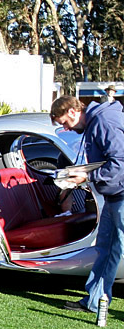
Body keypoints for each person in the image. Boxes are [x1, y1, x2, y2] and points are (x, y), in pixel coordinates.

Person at [50, 95, 124, 313]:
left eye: (65, 123)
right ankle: (95, 300)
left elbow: (119, 164)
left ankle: (95, 300)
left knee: (112, 248)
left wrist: (87, 177)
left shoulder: (104, 122)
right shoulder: (98, 121)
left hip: (121, 194)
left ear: (73, 112)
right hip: (114, 195)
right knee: (107, 248)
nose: (67, 128)